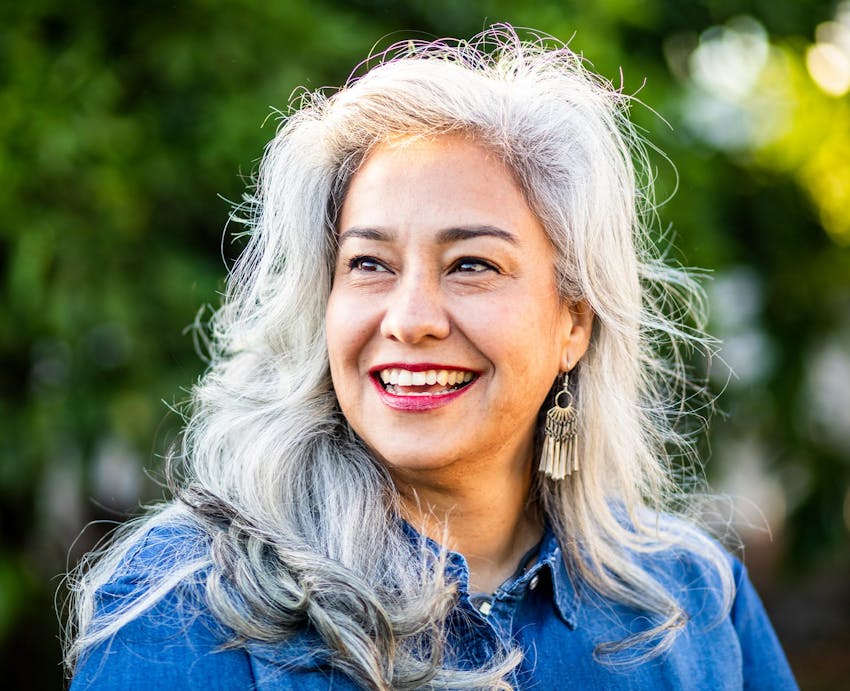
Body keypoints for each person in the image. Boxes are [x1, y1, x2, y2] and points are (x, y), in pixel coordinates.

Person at [64, 26, 798, 690]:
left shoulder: (694, 602)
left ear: (573, 321)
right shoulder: (185, 608)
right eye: (370, 263)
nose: (410, 319)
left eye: (472, 263)